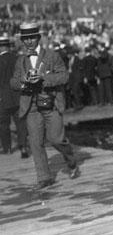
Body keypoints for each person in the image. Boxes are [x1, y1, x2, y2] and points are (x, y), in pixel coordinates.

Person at [10, 23, 80, 190]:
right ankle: (44, 178)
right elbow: (13, 82)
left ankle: (71, 160)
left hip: (50, 104)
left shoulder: (52, 56)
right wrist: (23, 82)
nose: (29, 42)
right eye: (25, 39)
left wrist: (43, 78)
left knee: (56, 139)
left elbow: (64, 77)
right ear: (22, 41)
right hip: (31, 107)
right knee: (35, 143)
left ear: (38, 38)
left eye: (32, 38)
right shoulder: (20, 60)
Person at [0, 35, 28, 157]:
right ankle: (23, 147)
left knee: (3, 124)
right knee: (20, 123)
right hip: (17, 95)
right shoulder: (17, 59)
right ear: (8, 46)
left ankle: (7, 148)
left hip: (2, 97)